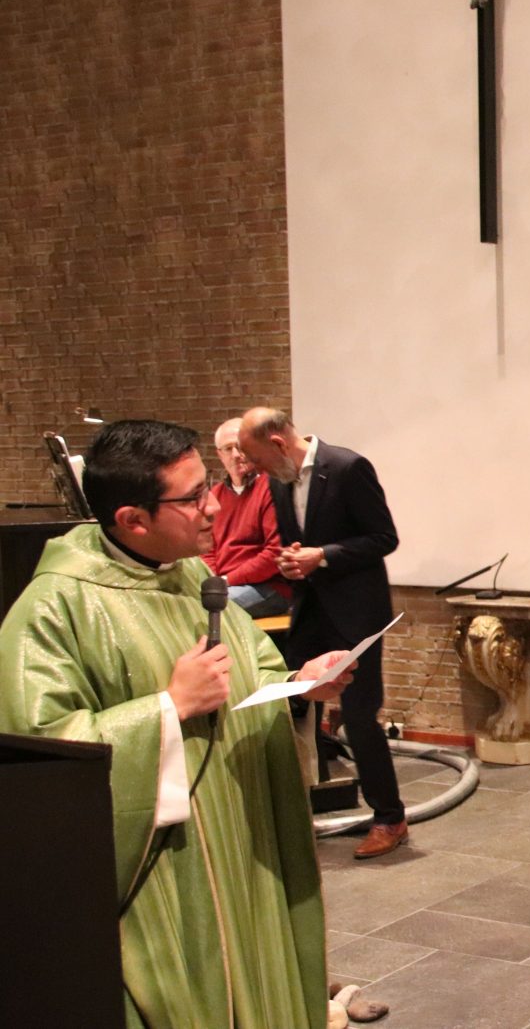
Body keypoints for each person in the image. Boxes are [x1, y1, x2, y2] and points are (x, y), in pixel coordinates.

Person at [0, 419, 354, 1029]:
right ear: (133, 519)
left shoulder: (188, 574)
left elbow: (252, 668)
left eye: (208, 485)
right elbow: (43, 760)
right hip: (166, 873)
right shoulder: (53, 609)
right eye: (192, 498)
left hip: (240, 838)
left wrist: (301, 681)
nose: (214, 506)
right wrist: (168, 707)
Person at [237, 406, 407, 859]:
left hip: (356, 614)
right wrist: (291, 561)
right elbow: (295, 542)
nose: (255, 470)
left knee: (358, 716)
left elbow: (384, 538)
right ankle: (290, 811)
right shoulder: (279, 479)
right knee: (288, 701)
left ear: (277, 443)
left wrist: (324, 555)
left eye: (257, 459)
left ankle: (389, 818)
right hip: (311, 610)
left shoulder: (348, 468)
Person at [204, 416, 291, 616]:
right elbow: (207, 550)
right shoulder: (215, 496)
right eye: (228, 449)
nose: (236, 455)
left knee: (205, 609)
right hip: (226, 585)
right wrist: (214, 581)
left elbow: (275, 553)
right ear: (219, 455)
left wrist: (225, 581)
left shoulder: (273, 487)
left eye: (240, 447)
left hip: (268, 587)